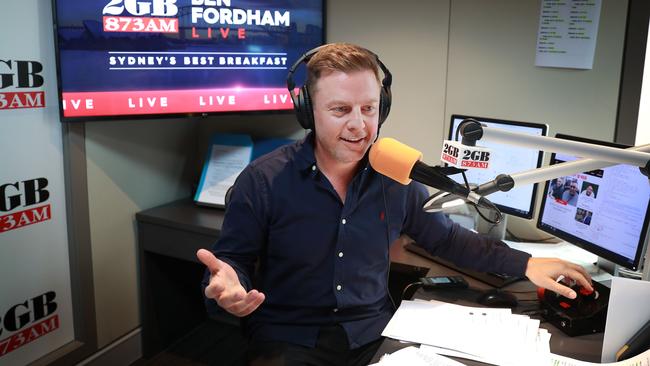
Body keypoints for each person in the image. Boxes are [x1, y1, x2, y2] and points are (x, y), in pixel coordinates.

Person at [196, 43, 592, 366]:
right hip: (288, 339)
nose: (359, 125)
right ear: (308, 112)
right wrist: (230, 285)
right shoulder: (263, 181)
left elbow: (447, 240)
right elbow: (233, 262)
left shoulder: (394, 176)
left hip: (372, 334)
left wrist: (526, 264)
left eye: (369, 109)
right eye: (340, 110)